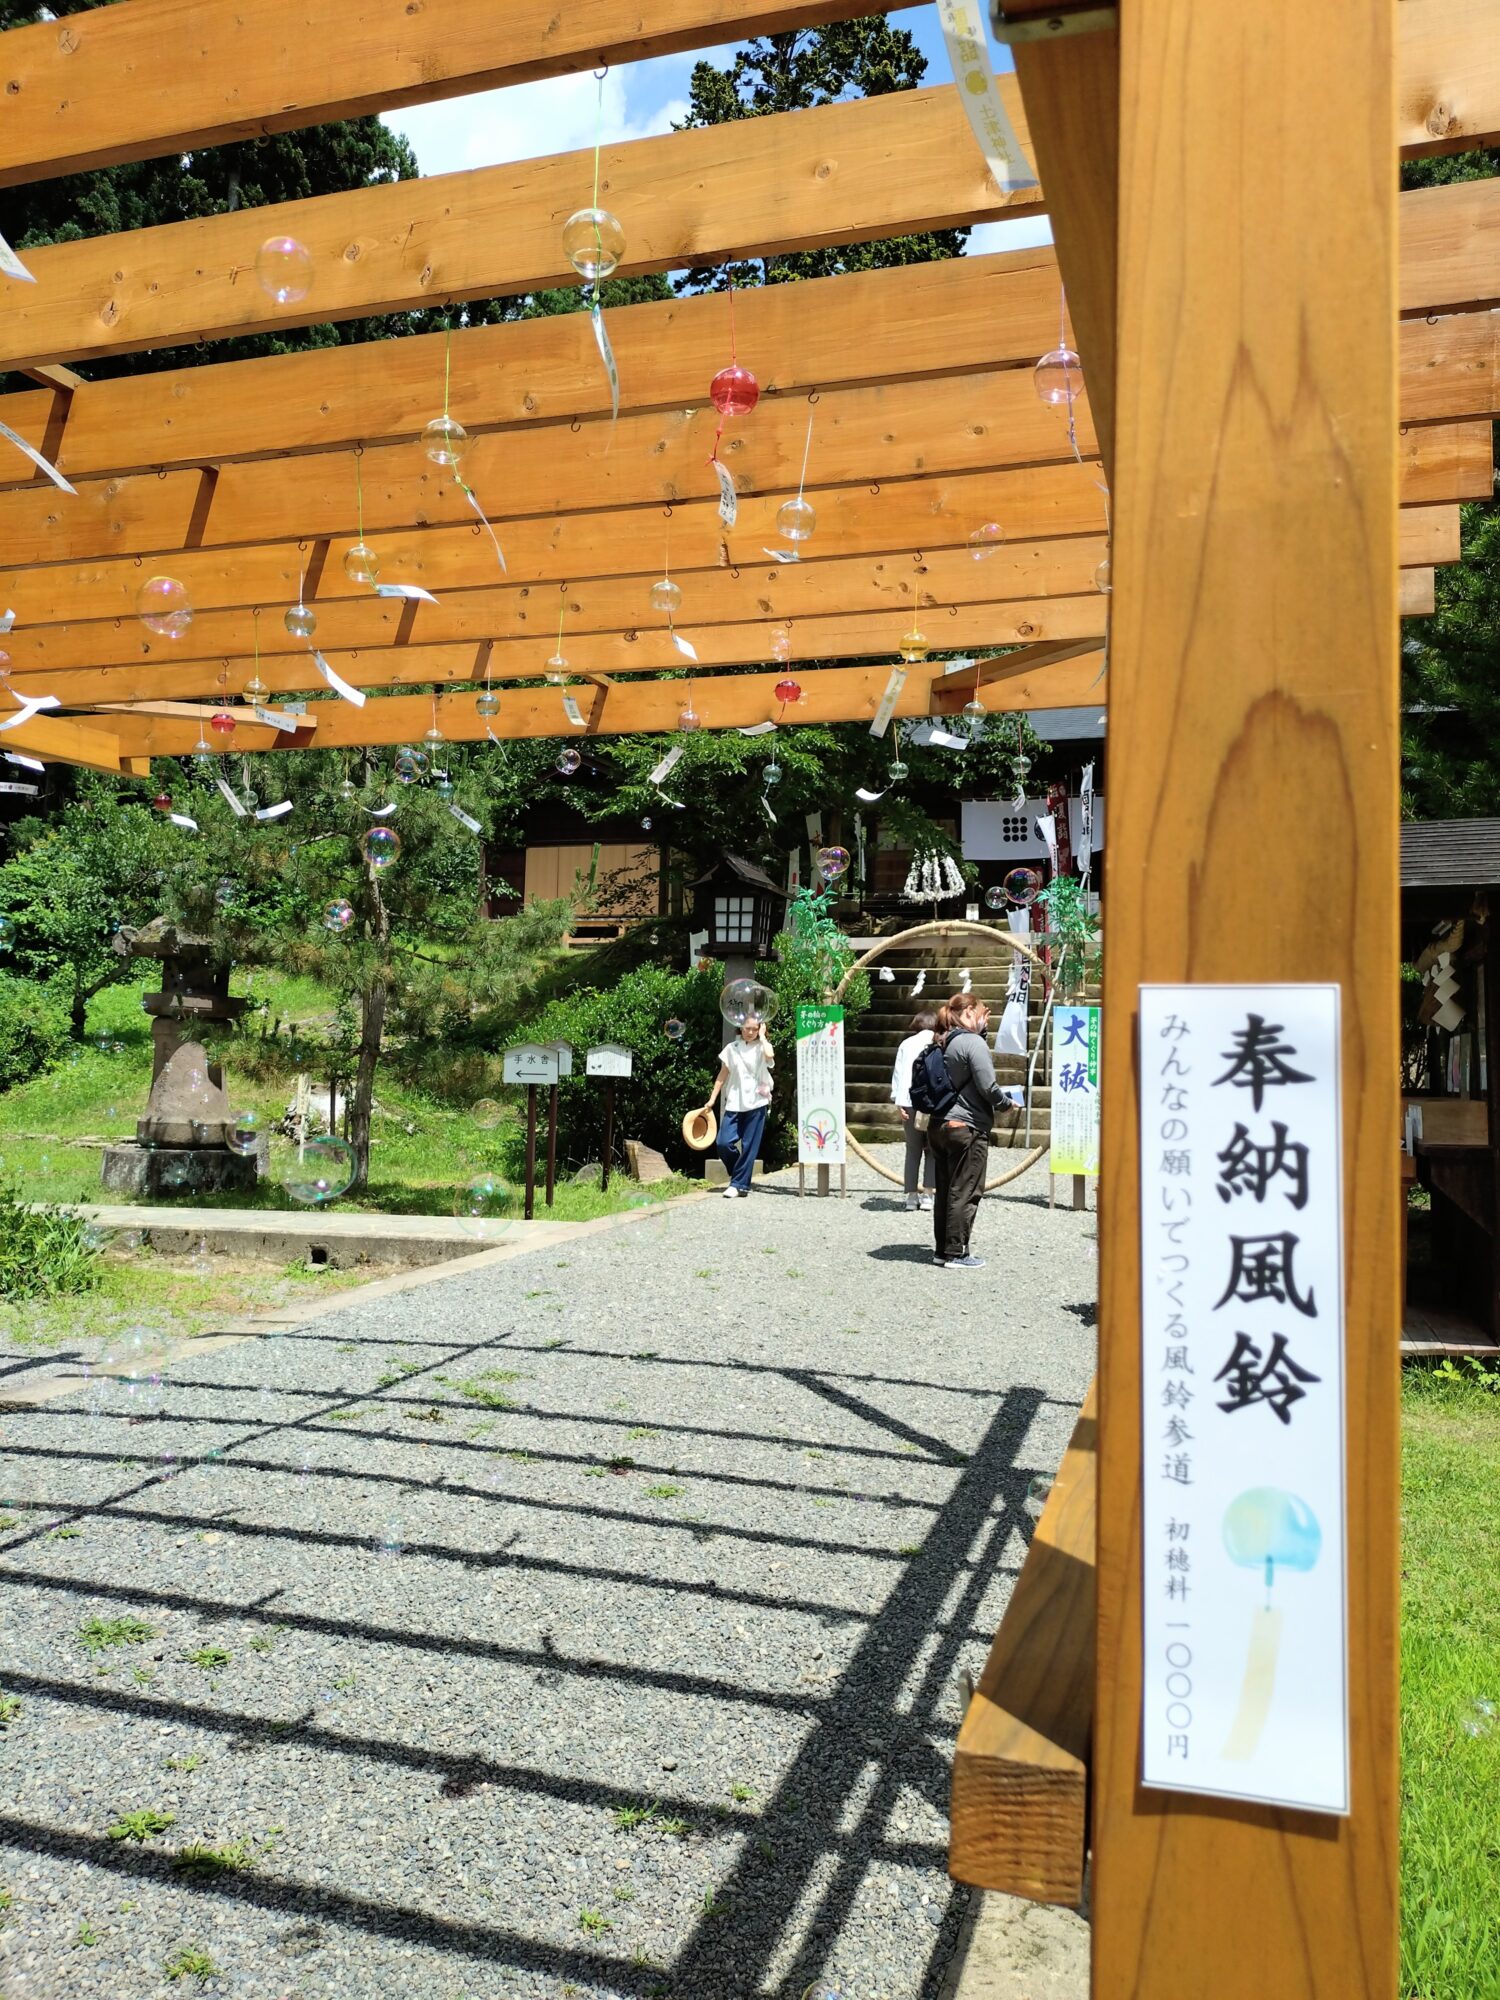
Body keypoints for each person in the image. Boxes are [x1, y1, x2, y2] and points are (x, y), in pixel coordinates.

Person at [931, 991, 1008, 1269]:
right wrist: (1005, 1104)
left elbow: (963, 1069)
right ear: (967, 1013)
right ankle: (956, 1253)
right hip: (967, 1126)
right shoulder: (972, 1043)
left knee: (946, 1189)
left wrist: (981, 1031)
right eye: (981, 1013)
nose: (984, 1019)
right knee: (965, 1190)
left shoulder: (941, 1040)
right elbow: (988, 1086)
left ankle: (942, 1249)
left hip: (939, 1126)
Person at [705, 1013, 775, 1198]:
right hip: (734, 1102)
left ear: (760, 1028)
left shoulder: (762, 1047)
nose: (750, 1032)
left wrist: (762, 1036)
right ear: (740, 1028)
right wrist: (712, 1099)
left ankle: (738, 1185)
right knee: (723, 1143)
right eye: (747, 1028)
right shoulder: (732, 1048)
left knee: (749, 1146)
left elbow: (770, 1055)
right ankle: (740, 1176)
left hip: (756, 1102)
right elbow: (722, 1075)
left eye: (754, 1028)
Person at [891, 1008, 938, 1211]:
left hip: (908, 1103)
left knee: (912, 1150)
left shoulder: (906, 1044)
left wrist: (899, 1102)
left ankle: (911, 1196)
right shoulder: (938, 1043)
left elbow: (899, 1075)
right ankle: (928, 1194)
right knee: (932, 1150)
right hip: (932, 1103)